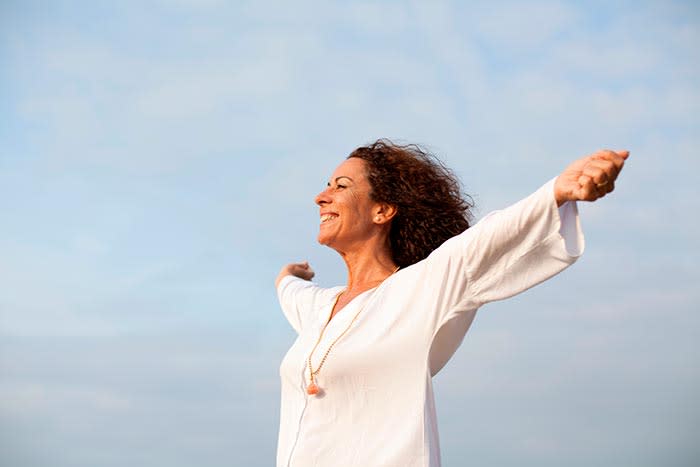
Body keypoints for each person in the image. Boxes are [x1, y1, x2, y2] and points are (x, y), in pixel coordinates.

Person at [274, 140, 628, 467]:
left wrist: (557, 192)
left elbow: (487, 239)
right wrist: (289, 274)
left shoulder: (422, 288)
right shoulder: (320, 307)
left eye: (341, 186)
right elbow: (288, 290)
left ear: (382, 210)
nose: (321, 197)